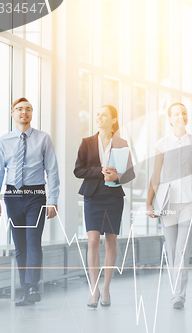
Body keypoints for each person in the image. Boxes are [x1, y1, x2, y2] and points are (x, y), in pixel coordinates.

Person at [0, 97, 60, 306]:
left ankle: (31, 286)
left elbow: (53, 171)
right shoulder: (4, 141)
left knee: (33, 241)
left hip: (36, 196)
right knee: (20, 245)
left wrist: (53, 200)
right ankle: (26, 289)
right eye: (19, 109)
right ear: (13, 114)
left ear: (32, 114)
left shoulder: (43, 138)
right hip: (12, 197)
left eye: (28, 109)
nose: (24, 112)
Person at [74, 105, 135, 309]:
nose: (99, 117)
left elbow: (130, 173)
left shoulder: (121, 143)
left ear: (114, 121)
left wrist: (117, 176)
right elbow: (78, 170)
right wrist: (100, 170)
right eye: (97, 114)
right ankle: (94, 288)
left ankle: (106, 287)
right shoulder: (87, 142)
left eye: (104, 115)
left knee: (110, 241)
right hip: (93, 197)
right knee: (92, 241)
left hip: (113, 197)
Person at [146, 103, 192, 310]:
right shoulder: (161, 144)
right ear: (170, 119)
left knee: (182, 249)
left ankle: (178, 294)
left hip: (189, 203)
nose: (181, 116)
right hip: (167, 203)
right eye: (176, 114)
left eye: (184, 113)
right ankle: (175, 290)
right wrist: (148, 202)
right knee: (171, 249)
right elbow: (156, 175)